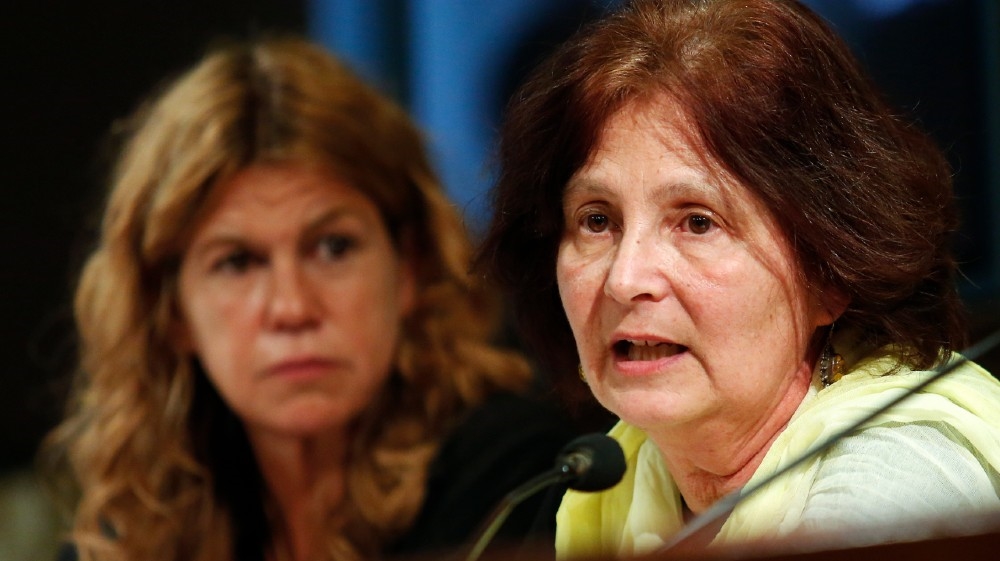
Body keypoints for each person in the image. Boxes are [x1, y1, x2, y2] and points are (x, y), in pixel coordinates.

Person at [475, 0, 1000, 557]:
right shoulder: (612, 479)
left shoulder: (898, 479)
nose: (625, 280)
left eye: (698, 223)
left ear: (828, 271)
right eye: (597, 221)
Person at [41, 37, 578, 561]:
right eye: (237, 262)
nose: (292, 308)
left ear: (410, 268)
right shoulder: (138, 522)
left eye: (332, 247)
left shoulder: (523, 483)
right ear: (173, 311)